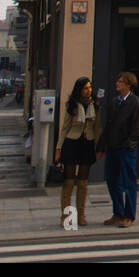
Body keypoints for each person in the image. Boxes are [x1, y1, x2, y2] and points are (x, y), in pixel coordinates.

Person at [96, 71, 139, 228]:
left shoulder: (136, 103)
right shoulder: (114, 103)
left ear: (129, 85)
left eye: (121, 82)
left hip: (126, 149)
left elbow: (138, 129)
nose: (117, 83)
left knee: (128, 181)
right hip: (113, 147)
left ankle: (129, 215)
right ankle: (118, 212)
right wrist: (102, 146)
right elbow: (108, 125)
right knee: (112, 180)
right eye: (118, 81)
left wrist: (130, 143)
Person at [54, 76, 98, 228]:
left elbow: (96, 127)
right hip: (72, 142)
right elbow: (65, 128)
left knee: (83, 182)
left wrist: (99, 146)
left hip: (87, 142)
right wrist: (58, 149)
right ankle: (66, 216)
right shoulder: (72, 105)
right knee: (69, 180)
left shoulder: (94, 105)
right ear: (79, 90)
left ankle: (81, 215)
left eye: (90, 87)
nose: (89, 90)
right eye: (86, 88)